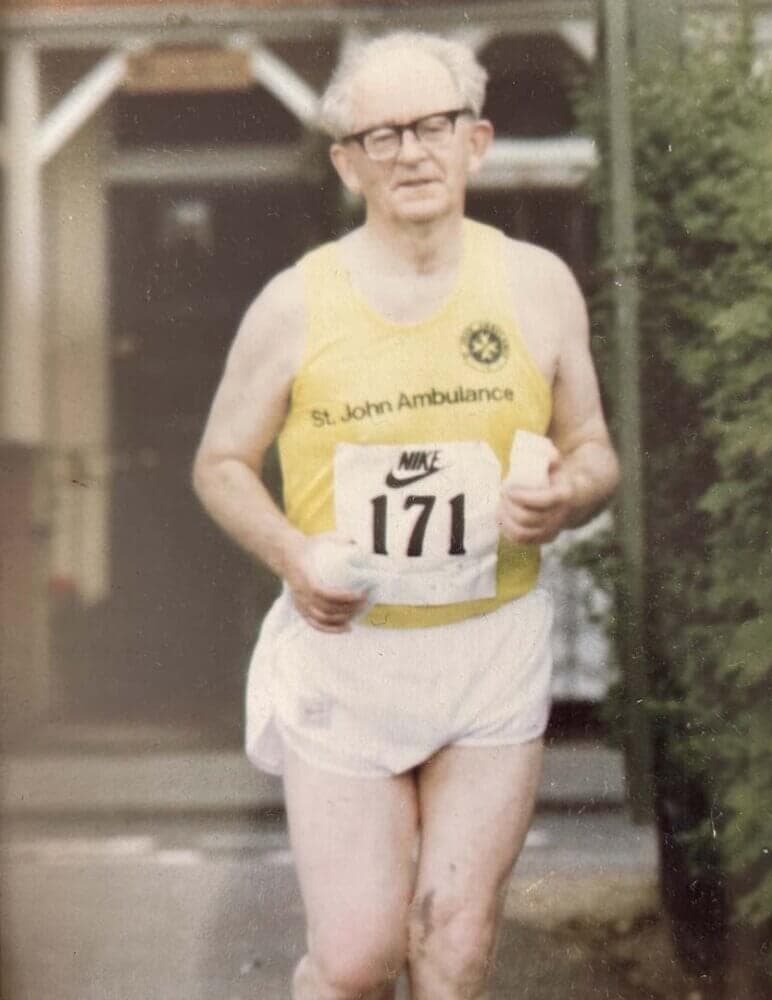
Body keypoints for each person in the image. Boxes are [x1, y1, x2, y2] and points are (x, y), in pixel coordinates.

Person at [192, 30, 619, 1000]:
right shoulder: (293, 304)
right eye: (381, 136)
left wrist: (566, 494)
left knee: (455, 951)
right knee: (354, 959)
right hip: (350, 655)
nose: (411, 152)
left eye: (432, 126)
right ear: (348, 163)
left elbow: (593, 446)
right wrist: (294, 553)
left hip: (489, 648)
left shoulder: (536, 287)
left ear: (476, 140)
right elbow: (220, 462)